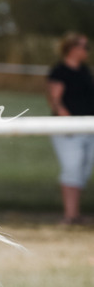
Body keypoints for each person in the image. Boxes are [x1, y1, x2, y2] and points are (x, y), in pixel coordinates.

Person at [46, 32, 94, 224]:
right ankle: (70, 215)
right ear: (73, 48)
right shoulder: (59, 71)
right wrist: (70, 123)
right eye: (85, 47)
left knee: (84, 168)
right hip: (69, 129)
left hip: (88, 127)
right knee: (72, 168)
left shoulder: (85, 70)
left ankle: (75, 213)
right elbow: (55, 102)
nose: (87, 51)